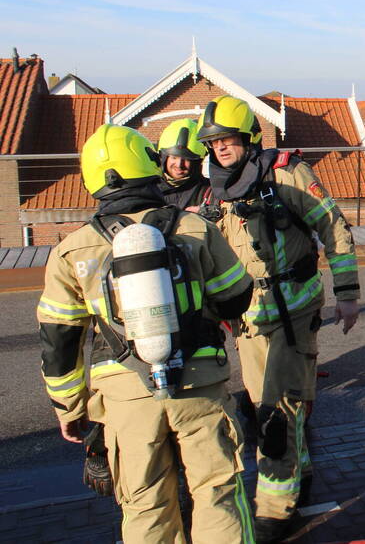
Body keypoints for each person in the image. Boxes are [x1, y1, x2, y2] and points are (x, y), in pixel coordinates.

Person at [37, 124, 255, 542]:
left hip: (125, 397)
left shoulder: (70, 250)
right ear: (149, 165)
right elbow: (236, 298)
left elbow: (58, 340)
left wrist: (69, 408)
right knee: (216, 493)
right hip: (199, 384)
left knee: (145, 504)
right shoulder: (194, 229)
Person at [196, 95, 360, 543]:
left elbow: (335, 229)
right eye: (213, 143)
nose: (220, 150)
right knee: (264, 405)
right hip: (248, 318)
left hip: (294, 309)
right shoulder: (215, 190)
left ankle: (275, 509)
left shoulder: (288, 174)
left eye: (227, 140)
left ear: (249, 138)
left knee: (275, 413)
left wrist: (347, 295)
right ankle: (299, 470)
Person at [157, 118, 211, 212]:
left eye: (187, 159)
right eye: (174, 157)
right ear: (164, 158)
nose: (179, 165)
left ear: (196, 163)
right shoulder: (149, 190)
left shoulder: (209, 192)